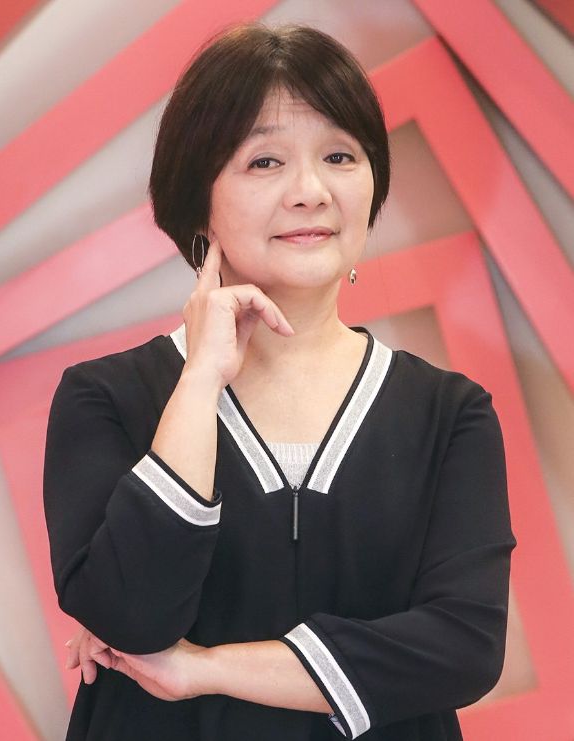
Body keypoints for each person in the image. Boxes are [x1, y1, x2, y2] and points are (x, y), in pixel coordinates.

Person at [43, 23, 516, 740]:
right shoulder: (103, 398)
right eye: (264, 161)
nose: (310, 191)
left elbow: (462, 648)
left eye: (339, 156)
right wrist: (200, 380)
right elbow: (131, 616)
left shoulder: (449, 414)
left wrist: (207, 668)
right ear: (197, 199)